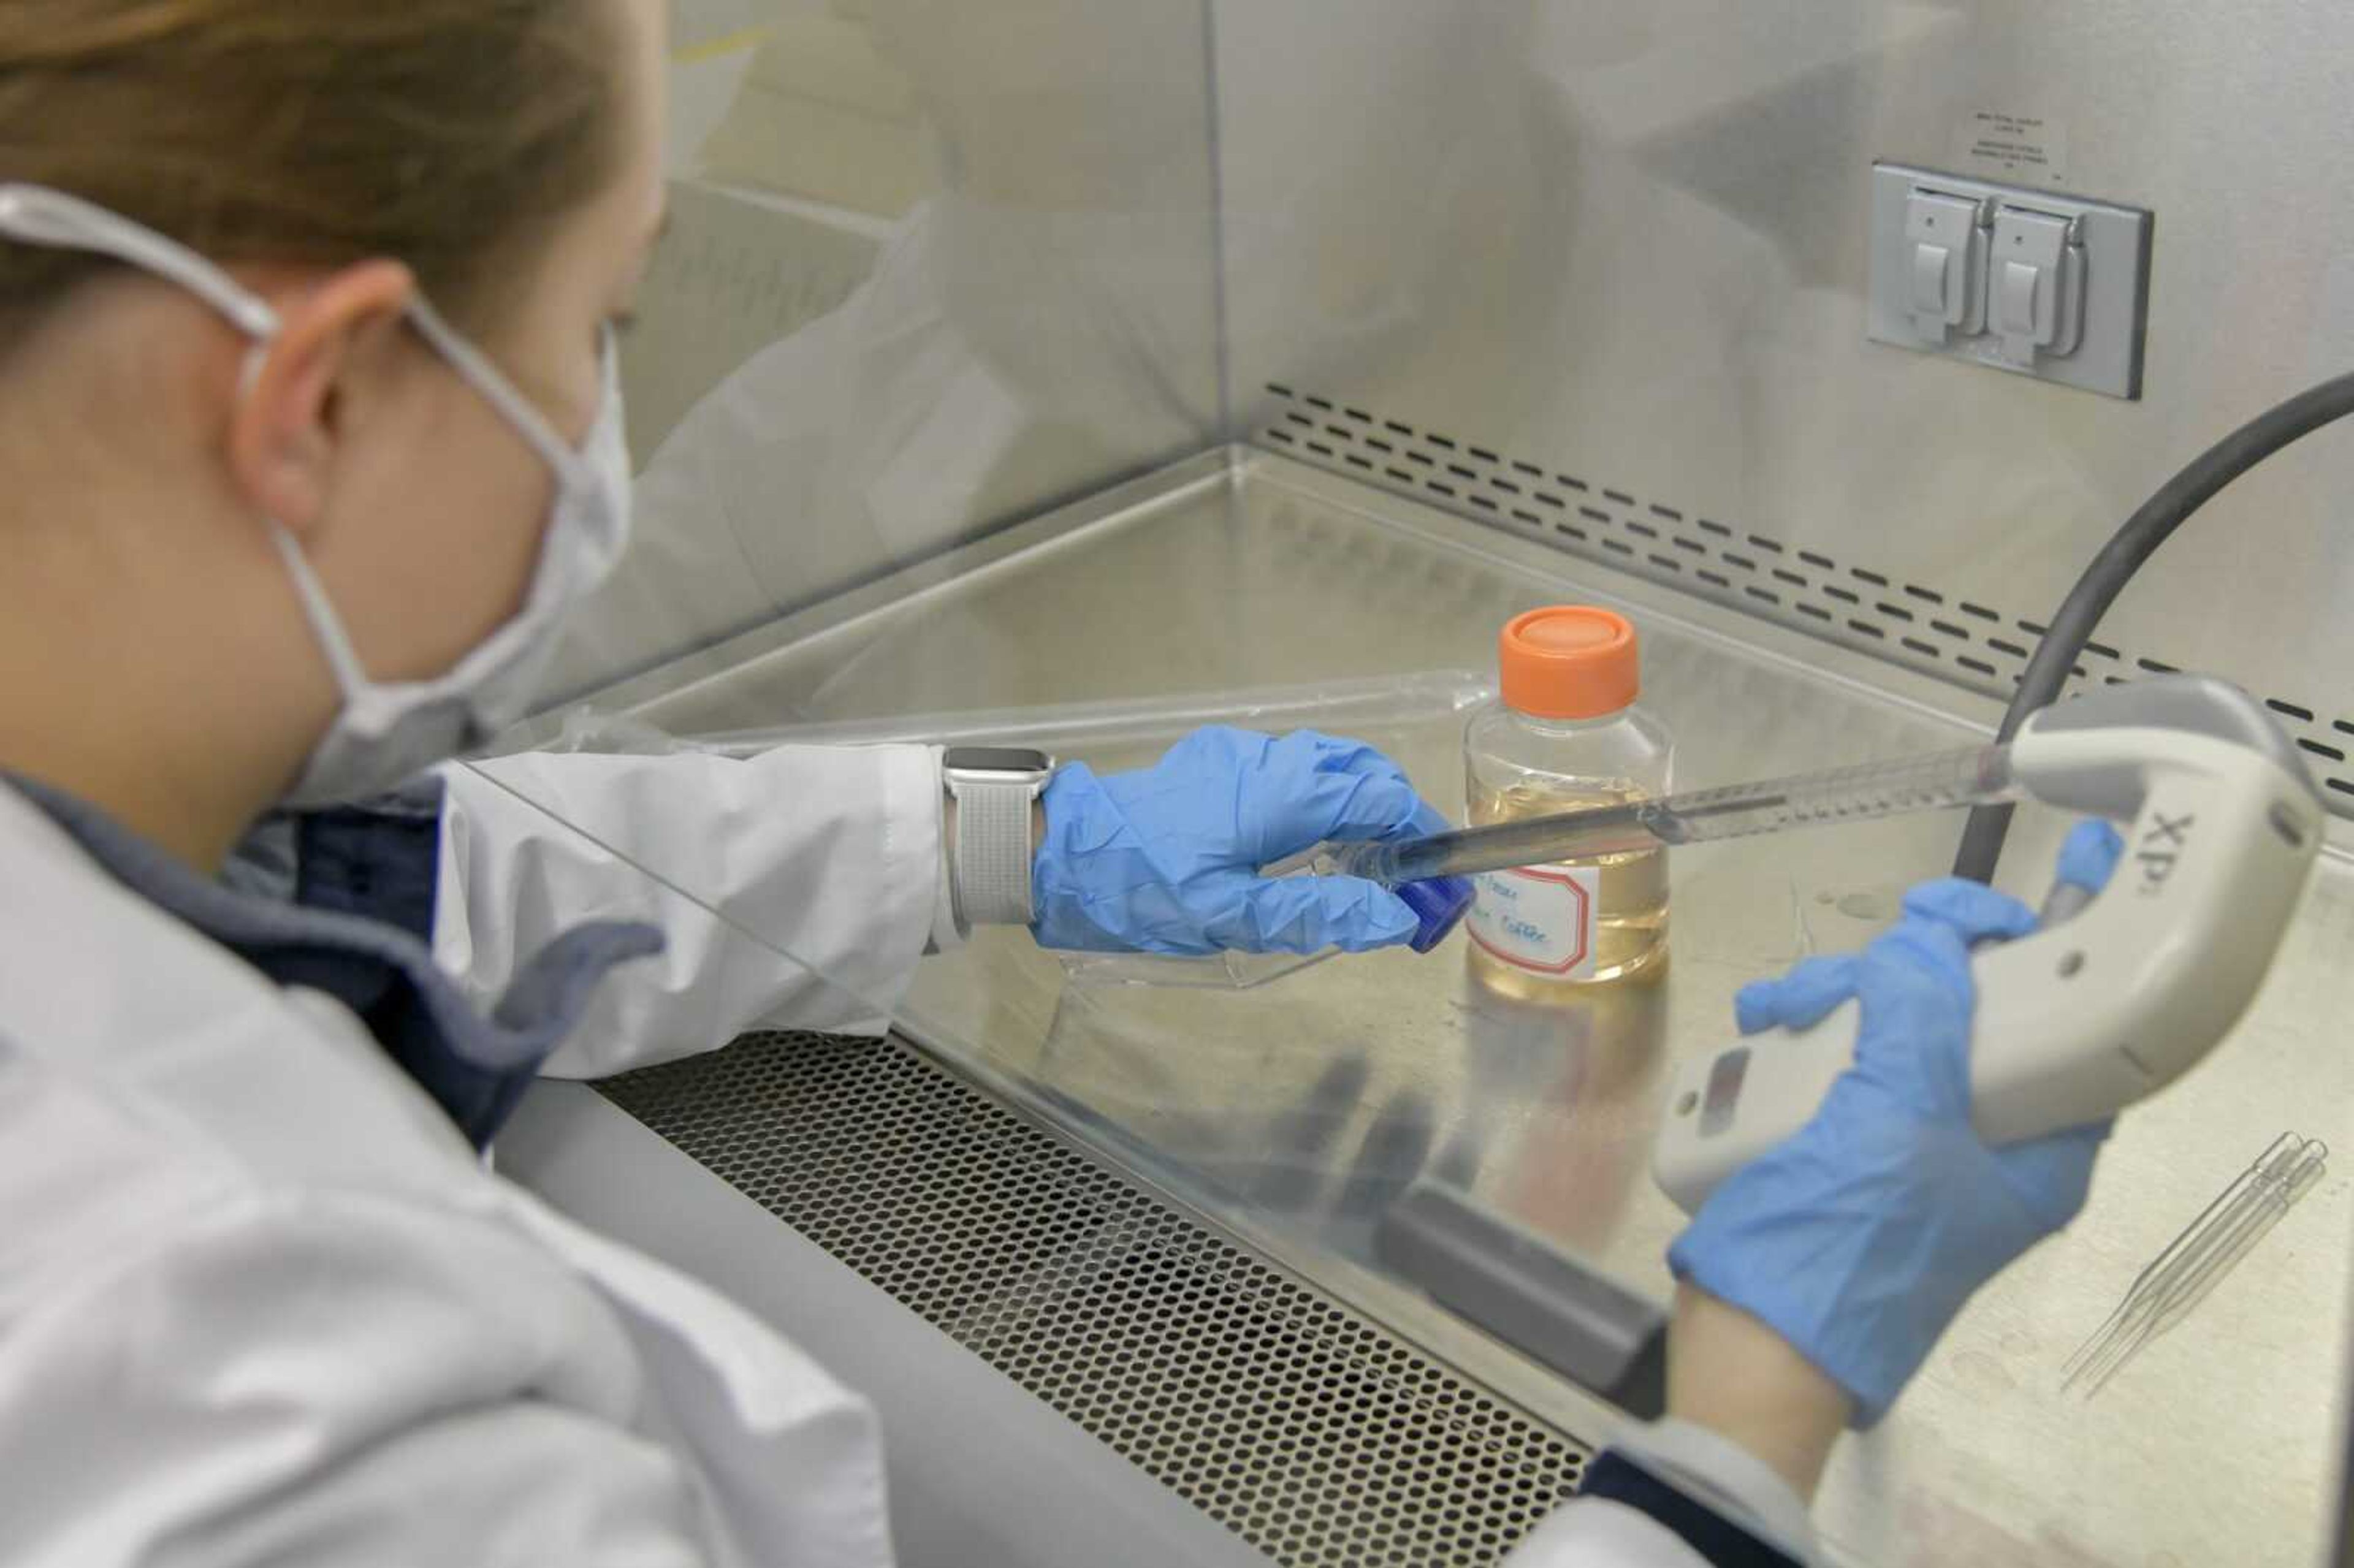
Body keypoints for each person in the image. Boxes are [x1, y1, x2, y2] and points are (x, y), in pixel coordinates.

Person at [0, 5, 2121, 1565]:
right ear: (317, 399)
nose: (601, 419)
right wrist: (1745, 1424)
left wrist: (1013, 839)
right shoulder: (251, 1371)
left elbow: (350, 884)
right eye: (606, 326)